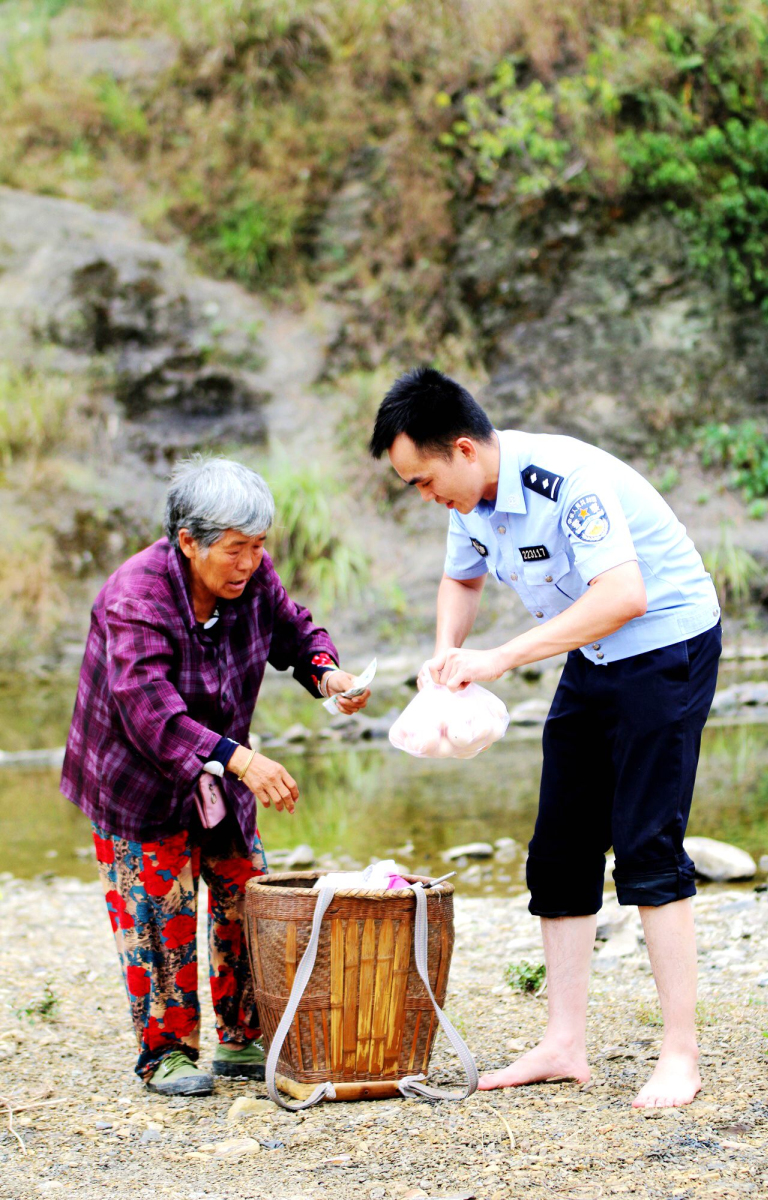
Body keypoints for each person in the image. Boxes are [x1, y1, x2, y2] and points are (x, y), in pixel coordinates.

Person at [370, 367, 721, 1109]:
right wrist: (445, 656)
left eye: (423, 481)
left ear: (464, 450)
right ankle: (563, 1043)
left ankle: (680, 1053)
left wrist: (498, 657)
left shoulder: (567, 480)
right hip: (592, 653)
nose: (425, 497)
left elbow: (625, 595)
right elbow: (461, 582)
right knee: (560, 846)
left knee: (648, 842)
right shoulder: (469, 499)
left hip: (665, 646)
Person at [61, 456, 370, 1096]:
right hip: (137, 783)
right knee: (157, 913)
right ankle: (167, 1052)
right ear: (188, 542)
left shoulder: (250, 578)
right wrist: (244, 760)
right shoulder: (134, 598)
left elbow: (293, 629)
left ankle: (242, 1038)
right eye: (234, 549)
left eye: (258, 547)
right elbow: (149, 709)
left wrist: (327, 674)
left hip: (223, 771)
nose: (250, 562)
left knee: (244, 894)